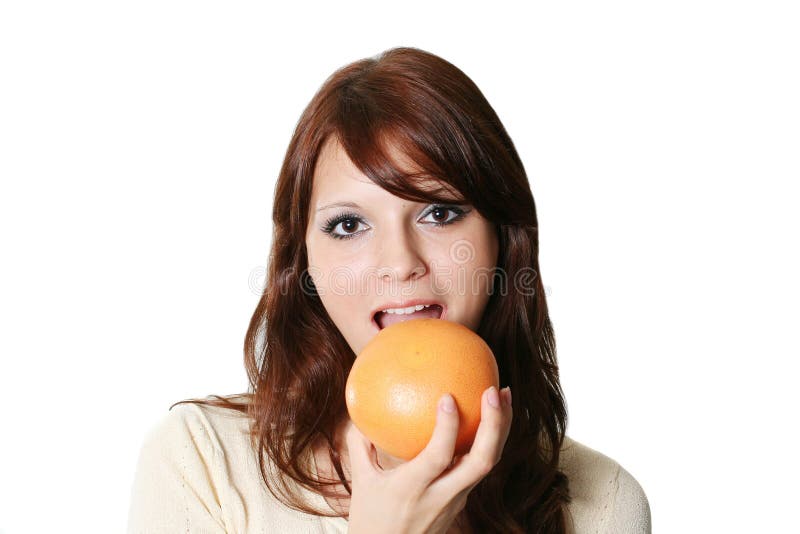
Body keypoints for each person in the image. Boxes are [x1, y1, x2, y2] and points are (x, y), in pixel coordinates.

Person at [127, 46, 651, 533]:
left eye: (439, 213)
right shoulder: (200, 463)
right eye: (350, 225)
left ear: (502, 241)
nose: (400, 264)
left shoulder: (600, 503)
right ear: (303, 258)